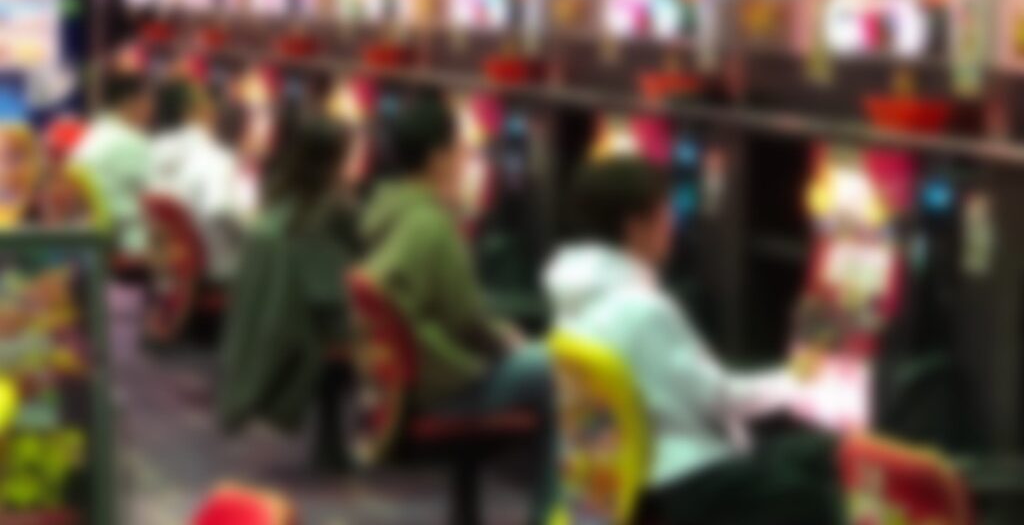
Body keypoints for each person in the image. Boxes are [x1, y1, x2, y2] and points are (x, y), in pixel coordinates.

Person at [544, 157, 843, 525]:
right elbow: (719, 400)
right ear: (636, 228)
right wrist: (797, 379)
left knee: (817, 452)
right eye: (666, 213)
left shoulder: (574, 297)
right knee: (817, 495)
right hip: (685, 480)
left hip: (627, 476)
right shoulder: (640, 309)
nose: (674, 225)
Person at [360, 94, 556, 525]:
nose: (468, 160)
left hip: (397, 382)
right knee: (563, 372)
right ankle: (550, 512)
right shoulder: (430, 223)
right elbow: (468, 320)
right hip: (442, 384)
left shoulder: (385, 207)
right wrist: (511, 340)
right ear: (437, 159)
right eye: (461, 150)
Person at [219, 114, 356, 467]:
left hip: (280, 320)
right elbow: (361, 261)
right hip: (313, 324)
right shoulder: (334, 208)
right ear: (334, 160)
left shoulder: (275, 196)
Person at [148, 84, 258, 281]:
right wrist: (254, 229)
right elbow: (220, 209)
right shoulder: (217, 161)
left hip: (175, 269)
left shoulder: (157, 151)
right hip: (219, 270)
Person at [73, 71, 154, 258]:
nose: (152, 109)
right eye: (148, 100)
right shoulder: (131, 141)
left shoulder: (88, 138)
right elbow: (156, 198)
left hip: (90, 247)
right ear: (131, 101)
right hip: (127, 251)